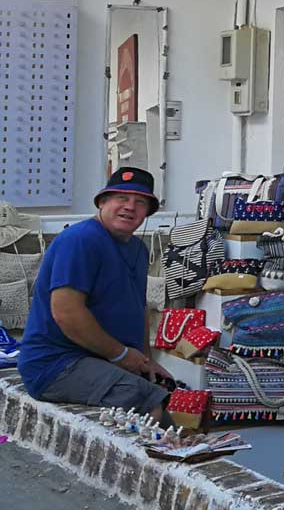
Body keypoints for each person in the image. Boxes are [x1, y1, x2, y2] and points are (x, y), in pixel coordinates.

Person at [18, 166, 176, 416]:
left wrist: (146, 363)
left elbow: (139, 308)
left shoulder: (138, 248)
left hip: (99, 359)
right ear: (102, 202)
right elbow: (66, 312)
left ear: (148, 212)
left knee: (164, 390)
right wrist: (122, 355)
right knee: (146, 401)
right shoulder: (80, 240)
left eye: (140, 202)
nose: (130, 207)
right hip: (57, 364)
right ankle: (168, 455)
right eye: (121, 198)